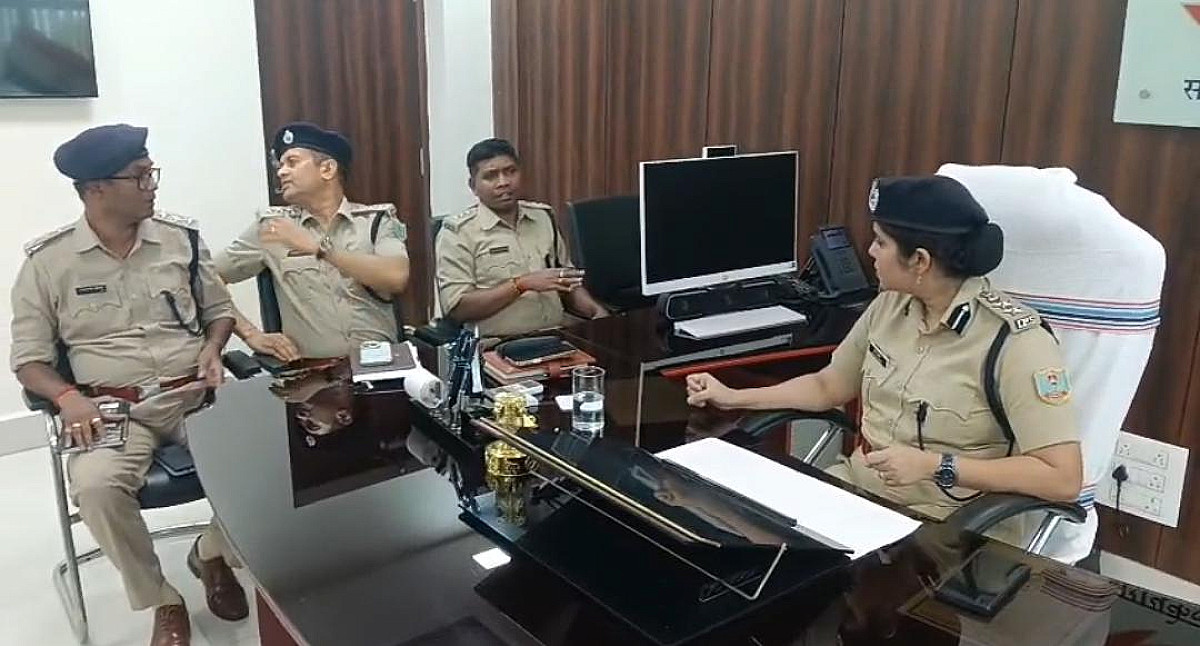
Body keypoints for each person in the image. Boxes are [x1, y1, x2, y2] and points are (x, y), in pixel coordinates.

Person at [687, 175, 1082, 541]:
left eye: (881, 242)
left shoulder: (1017, 343)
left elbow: (1062, 477)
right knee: (738, 534)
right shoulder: (889, 306)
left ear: (920, 261)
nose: (870, 252)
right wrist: (732, 397)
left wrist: (938, 466)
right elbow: (828, 386)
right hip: (857, 494)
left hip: (946, 527)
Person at [10, 124, 246, 646]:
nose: (151, 185)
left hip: (194, 396)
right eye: (139, 176)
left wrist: (213, 348)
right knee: (96, 486)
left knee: (272, 453)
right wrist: (67, 398)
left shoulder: (181, 239)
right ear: (96, 188)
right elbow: (28, 361)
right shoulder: (47, 264)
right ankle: (162, 598)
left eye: (151, 172)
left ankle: (211, 553)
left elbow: (219, 311)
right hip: (111, 410)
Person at [215, 122, 410, 360]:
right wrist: (251, 334)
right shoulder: (273, 228)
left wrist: (320, 249)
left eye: (292, 162)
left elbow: (396, 277)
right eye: (281, 165)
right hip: (312, 372)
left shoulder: (375, 221)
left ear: (327, 169)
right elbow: (207, 278)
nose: (281, 172)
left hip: (382, 366)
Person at [436, 138, 607, 337]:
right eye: (491, 176)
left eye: (510, 171)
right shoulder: (458, 233)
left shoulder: (543, 217)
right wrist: (521, 284)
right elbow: (458, 309)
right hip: (497, 344)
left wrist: (596, 312)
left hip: (556, 336)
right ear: (473, 186)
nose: (504, 182)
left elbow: (566, 282)